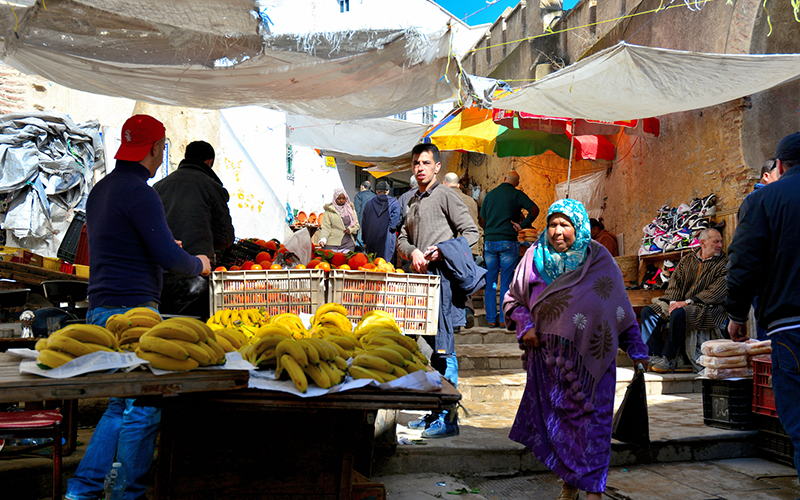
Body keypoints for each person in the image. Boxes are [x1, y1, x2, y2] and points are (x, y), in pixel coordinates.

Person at [66, 115, 211, 500]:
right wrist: (198, 262)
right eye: (162, 147)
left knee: (119, 405)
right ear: (155, 149)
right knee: (144, 407)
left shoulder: (103, 189)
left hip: (101, 308)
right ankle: (126, 493)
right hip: (132, 312)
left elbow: (129, 245)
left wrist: (165, 249)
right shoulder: (140, 192)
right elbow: (168, 257)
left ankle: (82, 490)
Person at [504, 199, 648, 500]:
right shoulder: (534, 257)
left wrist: (637, 350)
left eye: (565, 225)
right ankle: (569, 483)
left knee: (595, 428)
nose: (558, 231)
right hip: (549, 363)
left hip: (594, 362)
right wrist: (525, 325)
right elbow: (512, 300)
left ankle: (594, 490)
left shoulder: (600, 259)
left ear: (578, 227)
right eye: (553, 224)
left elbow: (620, 306)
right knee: (561, 429)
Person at [727, 132, 800, 477]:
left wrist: (737, 315)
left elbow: (743, 265)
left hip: (791, 328)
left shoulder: (763, 202)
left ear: (781, 166)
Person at [398, 143, 482, 438]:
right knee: (431, 351)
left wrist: (440, 252)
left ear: (437, 167)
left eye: (425, 162)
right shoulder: (409, 200)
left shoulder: (447, 195)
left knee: (445, 350)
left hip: (443, 284)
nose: (419, 167)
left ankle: (448, 419)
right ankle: (434, 411)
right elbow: (402, 238)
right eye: (415, 163)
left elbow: (472, 233)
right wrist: (413, 253)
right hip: (419, 285)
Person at [154, 140, 234, 320]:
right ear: (209, 162)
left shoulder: (158, 187)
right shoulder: (212, 187)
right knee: (192, 336)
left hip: (159, 279)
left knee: (162, 334)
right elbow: (225, 238)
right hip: (196, 278)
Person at [642, 228, 728, 373]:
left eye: (720, 241)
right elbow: (675, 284)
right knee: (649, 312)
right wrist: (672, 303)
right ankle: (653, 355)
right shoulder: (687, 260)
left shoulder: (724, 264)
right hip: (683, 304)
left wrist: (688, 302)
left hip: (709, 308)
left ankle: (668, 358)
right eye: (716, 242)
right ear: (703, 243)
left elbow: (717, 292)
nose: (720, 245)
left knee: (679, 314)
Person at [480, 171, 540, 328]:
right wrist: (522, 225)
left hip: (490, 243)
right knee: (506, 281)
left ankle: (491, 319)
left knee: (491, 281)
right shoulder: (516, 194)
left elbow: (482, 220)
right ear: (517, 183)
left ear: (504, 178)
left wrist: (490, 230)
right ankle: (503, 320)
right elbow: (534, 209)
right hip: (508, 242)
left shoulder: (490, 195)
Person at [444, 172, 483, 329]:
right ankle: (467, 310)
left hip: (451, 248)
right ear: (459, 184)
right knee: (465, 282)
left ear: (445, 184)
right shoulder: (471, 201)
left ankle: (456, 320)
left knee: (451, 285)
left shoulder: (444, 198)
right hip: (470, 247)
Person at [361, 180, 401, 263]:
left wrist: (364, 240)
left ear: (377, 191)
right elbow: (394, 223)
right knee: (387, 267)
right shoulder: (394, 203)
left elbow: (363, 224)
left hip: (371, 239)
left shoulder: (368, 204)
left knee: (373, 265)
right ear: (388, 191)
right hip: (387, 240)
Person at [318, 188, 359, 252]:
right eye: (339, 198)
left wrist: (350, 230)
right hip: (332, 243)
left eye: (343, 198)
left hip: (348, 244)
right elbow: (326, 227)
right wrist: (323, 239)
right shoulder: (329, 211)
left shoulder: (350, 210)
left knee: (346, 261)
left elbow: (356, 225)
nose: (341, 200)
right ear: (335, 198)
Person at [353, 180, 376, 246]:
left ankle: (362, 255)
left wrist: (355, 223)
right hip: (373, 222)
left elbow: (357, 210)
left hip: (361, 221)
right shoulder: (375, 196)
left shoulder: (359, 195)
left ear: (362, 187)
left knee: (360, 242)